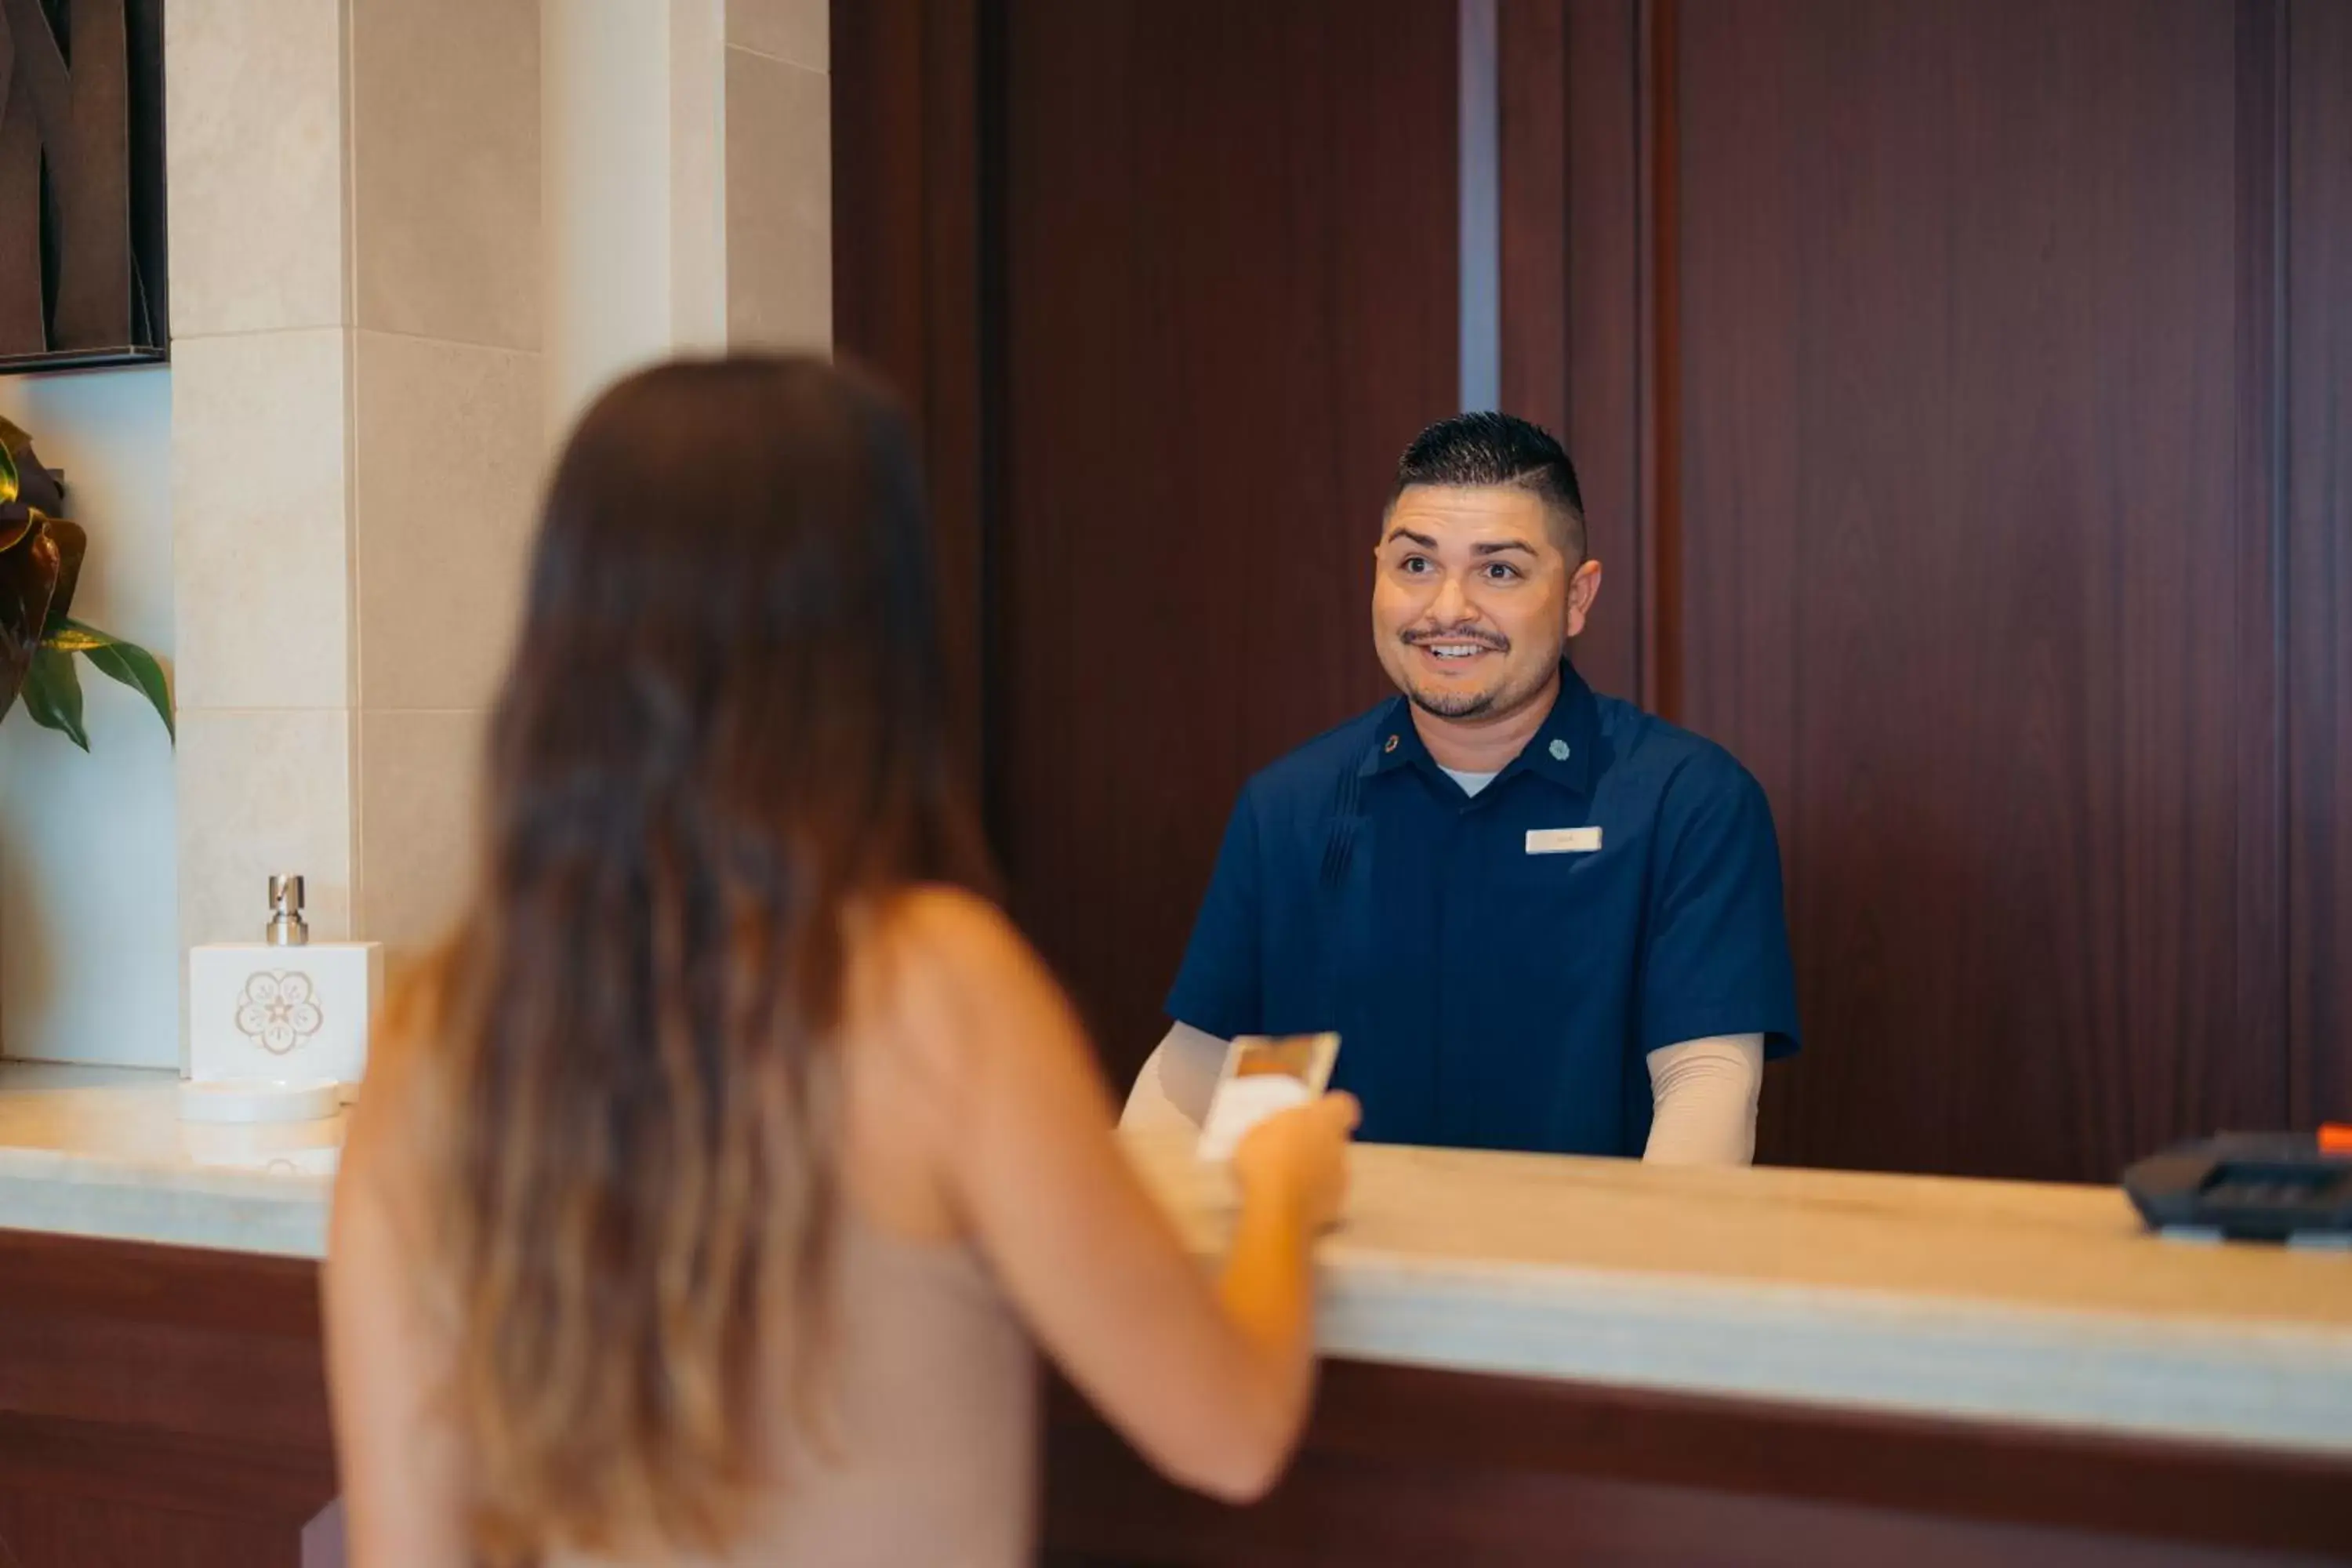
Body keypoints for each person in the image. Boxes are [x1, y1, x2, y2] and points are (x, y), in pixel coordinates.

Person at [323, 358, 1359, 1568]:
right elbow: (1229, 1432)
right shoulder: (936, 988)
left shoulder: (434, 1035)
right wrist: (1283, 1188)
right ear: (872, 638)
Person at [1123, 412, 1798, 1163]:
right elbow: (1195, 1071)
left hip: (1583, 1267)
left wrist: (1638, 1277)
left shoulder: (1687, 801)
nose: (1448, 609)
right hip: (1341, 1264)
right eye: (1416, 566)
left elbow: (1708, 1082)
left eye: (1499, 570)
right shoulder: (1289, 806)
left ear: (1577, 597)